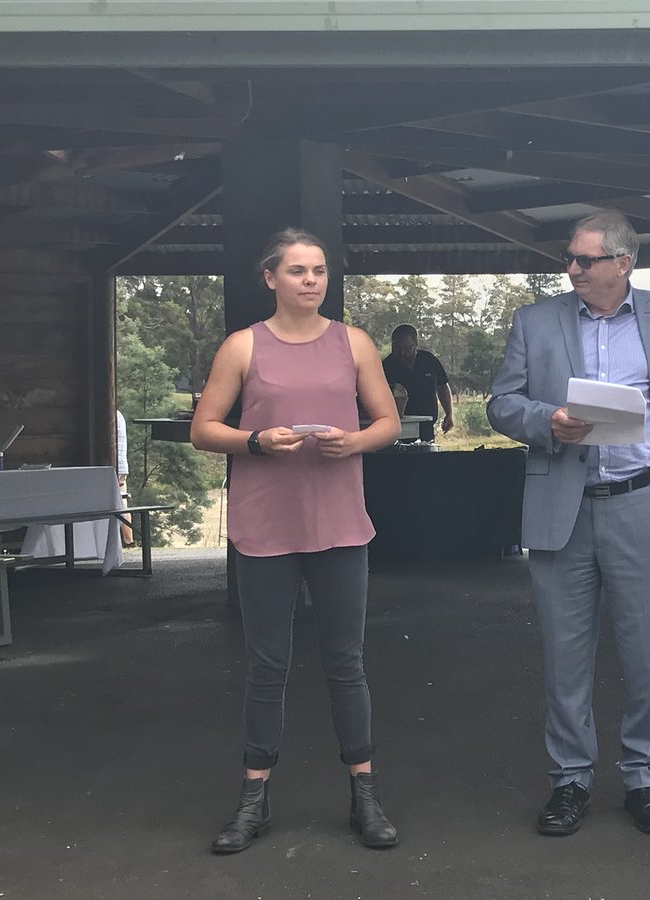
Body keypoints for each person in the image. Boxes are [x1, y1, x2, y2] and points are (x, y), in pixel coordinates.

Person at [487, 210, 650, 837]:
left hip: (643, 501)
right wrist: (548, 420)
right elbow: (501, 402)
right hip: (560, 507)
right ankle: (570, 781)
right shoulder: (534, 321)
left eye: (584, 260)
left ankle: (645, 778)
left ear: (623, 263)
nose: (571, 270)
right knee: (564, 657)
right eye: (569, 259)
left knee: (649, 654)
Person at [191, 228, 402, 854]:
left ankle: (365, 794)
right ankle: (254, 798)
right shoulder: (242, 347)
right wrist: (256, 440)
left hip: (339, 522)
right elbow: (204, 429)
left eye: (319, 271)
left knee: (346, 663)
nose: (311, 281)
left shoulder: (354, 343)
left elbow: (386, 420)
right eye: (297, 271)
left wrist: (354, 441)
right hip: (266, 525)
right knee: (267, 666)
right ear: (270, 278)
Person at [382, 324, 453, 441]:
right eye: (397, 348)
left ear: (416, 345)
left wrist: (449, 414)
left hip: (426, 428)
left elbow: (443, 386)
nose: (402, 353)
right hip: (395, 431)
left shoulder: (429, 361)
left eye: (407, 348)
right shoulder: (385, 367)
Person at [115, 409, 133, 548]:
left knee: (121, 506)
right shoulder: (119, 415)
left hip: (115, 467)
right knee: (122, 505)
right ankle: (128, 541)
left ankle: (127, 541)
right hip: (121, 466)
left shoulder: (110, 416)